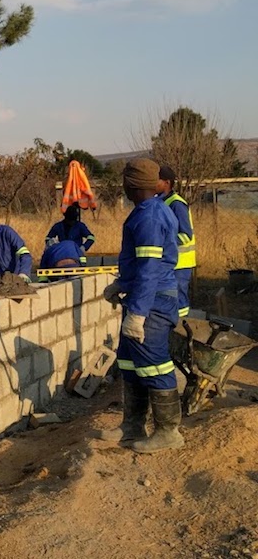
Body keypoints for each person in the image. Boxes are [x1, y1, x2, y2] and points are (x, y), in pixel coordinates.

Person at [101, 158, 183, 454]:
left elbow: (150, 267)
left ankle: (168, 432)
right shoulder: (149, 210)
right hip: (143, 295)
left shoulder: (149, 216)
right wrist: (121, 284)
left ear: (131, 184)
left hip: (152, 301)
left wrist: (137, 313)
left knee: (154, 363)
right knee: (129, 361)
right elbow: (141, 265)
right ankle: (133, 425)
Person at [157, 166, 196, 318]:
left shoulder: (177, 204)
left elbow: (186, 235)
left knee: (179, 299)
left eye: (156, 180)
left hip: (181, 263)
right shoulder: (162, 202)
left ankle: (181, 325)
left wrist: (163, 243)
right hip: (170, 262)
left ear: (167, 183)